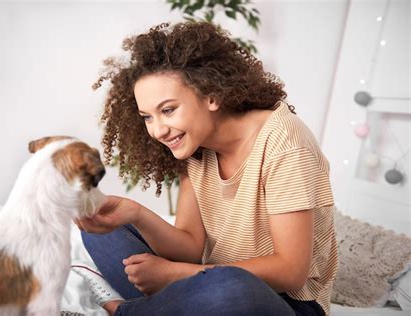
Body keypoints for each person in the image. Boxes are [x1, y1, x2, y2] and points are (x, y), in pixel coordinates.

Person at [73, 21, 338, 316]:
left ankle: (130, 312)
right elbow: (189, 248)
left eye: (168, 110)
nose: (158, 130)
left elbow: (291, 271)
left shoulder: (285, 141)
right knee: (103, 227)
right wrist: (135, 213)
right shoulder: (197, 150)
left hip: (282, 303)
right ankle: (165, 306)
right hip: (204, 283)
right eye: (147, 117)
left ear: (211, 95)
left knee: (231, 287)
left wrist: (175, 275)